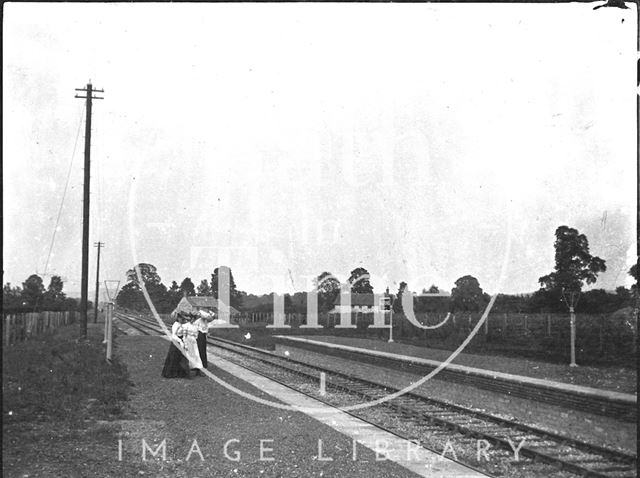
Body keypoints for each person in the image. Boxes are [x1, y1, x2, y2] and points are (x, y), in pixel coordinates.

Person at [161, 314, 189, 378]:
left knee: (181, 358)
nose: (182, 319)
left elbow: (184, 334)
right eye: (181, 318)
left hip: (181, 341)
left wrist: (185, 342)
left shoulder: (182, 324)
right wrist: (180, 341)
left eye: (183, 318)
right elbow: (173, 335)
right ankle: (171, 373)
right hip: (176, 342)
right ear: (178, 318)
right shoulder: (176, 324)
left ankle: (180, 373)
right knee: (174, 357)